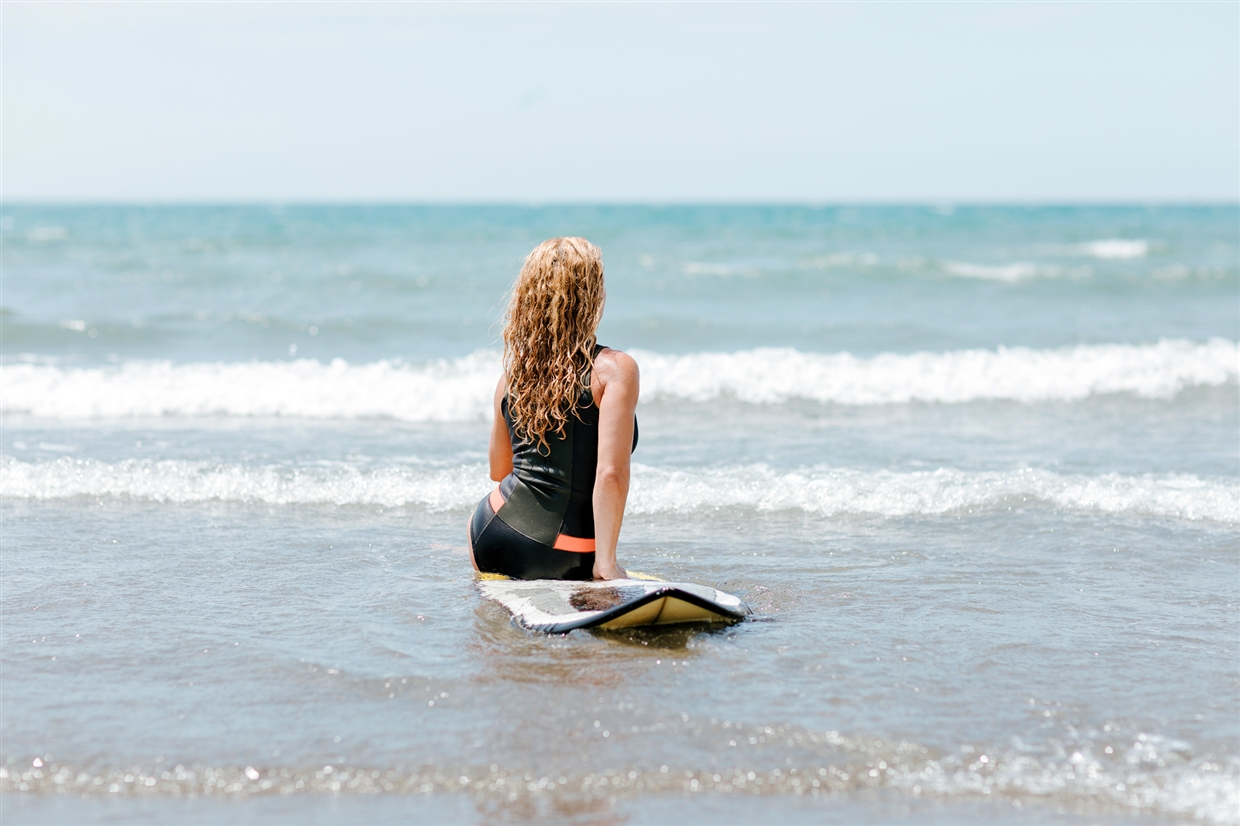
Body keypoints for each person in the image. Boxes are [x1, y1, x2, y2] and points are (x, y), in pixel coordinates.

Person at [468, 237, 639, 581]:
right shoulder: (614, 370)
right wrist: (605, 564)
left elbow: (499, 470)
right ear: (592, 295)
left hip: (490, 529)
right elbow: (611, 474)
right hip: (562, 551)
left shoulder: (512, 376)